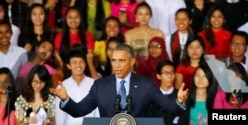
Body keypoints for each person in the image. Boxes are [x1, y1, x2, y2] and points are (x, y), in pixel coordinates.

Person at [50, 43, 188, 117]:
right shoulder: (100, 85)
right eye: (114, 61)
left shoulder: (146, 84)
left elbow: (168, 107)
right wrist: (65, 99)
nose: (117, 65)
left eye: (121, 61)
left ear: (132, 61)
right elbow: (79, 110)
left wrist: (179, 101)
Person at [55, 48, 99, 125]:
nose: (78, 65)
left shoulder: (94, 84)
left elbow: (97, 112)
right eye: (74, 62)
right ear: (68, 66)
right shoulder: (62, 86)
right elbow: (60, 115)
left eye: (81, 62)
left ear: (85, 64)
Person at [125, 2, 164, 66]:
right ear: (136, 16)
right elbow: (127, 56)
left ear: (151, 16)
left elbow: (162, 54)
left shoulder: (158, 33)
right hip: (136, 69)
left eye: (146, 14)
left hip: (154, 68)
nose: (143, 17)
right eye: (140, 14)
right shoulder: (129, 34)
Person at [148, 60, 180, 125]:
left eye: (172, 72)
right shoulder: (152, 97)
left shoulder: (180, 95)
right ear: (158, 76)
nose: (169, 76)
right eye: (166, 73)